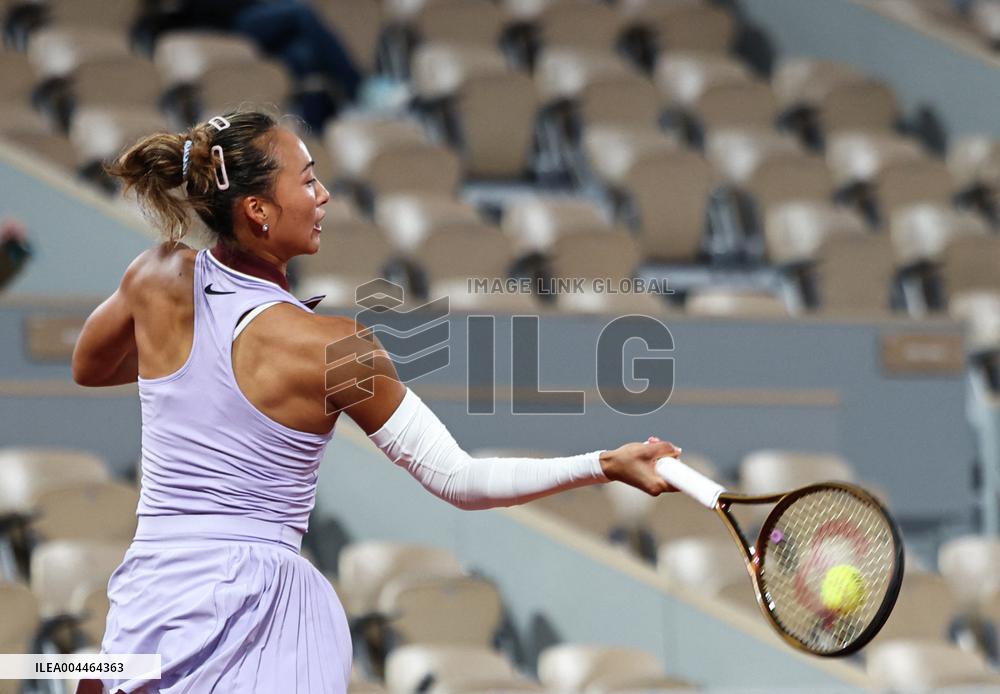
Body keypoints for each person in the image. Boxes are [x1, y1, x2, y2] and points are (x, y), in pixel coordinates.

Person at [71, 109, 682, 693]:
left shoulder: (153, 277)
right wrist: (603, 464)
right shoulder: (336, 348)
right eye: (308, 180)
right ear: (258, 210)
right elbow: (458, 479)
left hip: (151, 597)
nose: (325, 196)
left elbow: (89, 366)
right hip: (256, 615)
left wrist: (189, 373)